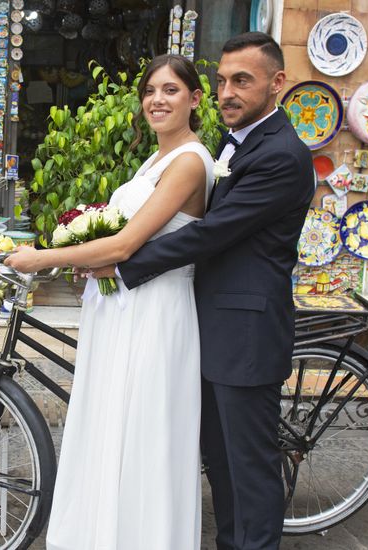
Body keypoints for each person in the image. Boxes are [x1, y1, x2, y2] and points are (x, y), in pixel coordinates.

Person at [113, 33, 313, 549]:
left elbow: (210, 233)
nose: (228, 91)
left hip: (245, 334)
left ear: (277, 83)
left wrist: (121, 262)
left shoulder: (282, 155)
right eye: (222, 80)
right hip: (206, 326)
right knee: (220, 464)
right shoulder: (232, 143)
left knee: (249, 469)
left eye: (242, 80)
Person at [6, 54, 213, 549]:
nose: (157, 100)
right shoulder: (155, 159)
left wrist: (44, 258)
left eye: (170, 90)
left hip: (156, 311)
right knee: (110, 423)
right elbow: (124, 245)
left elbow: (125, 245)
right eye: (150, 91)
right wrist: (89, 257)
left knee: (143, 430)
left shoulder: (189, 161)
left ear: (195, 99)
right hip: (121, 307)